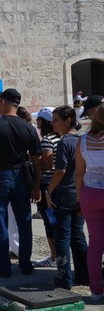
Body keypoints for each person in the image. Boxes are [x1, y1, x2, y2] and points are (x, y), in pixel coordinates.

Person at [0, 88, 41, 278]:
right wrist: (36, 184)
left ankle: (3, 266)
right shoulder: (28, 127)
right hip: (21, 176)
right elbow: (36, 158)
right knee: (24, 221)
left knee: (0, 221)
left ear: (3, 102)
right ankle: (25, 263)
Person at [45, 105, 88, 290]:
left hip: (63, 193)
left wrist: (48, 191)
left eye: (56, 120)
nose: (53, 124)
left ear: (67, 121)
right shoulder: (82, 141)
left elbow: (60, 170)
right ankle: (84, 274)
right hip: (79, 192)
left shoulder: (64, 143)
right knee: (77, 235)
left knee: (62, 235)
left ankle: (64, 278)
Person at [75, 104, 104, 303]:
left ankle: (96, 290)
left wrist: (79, 198)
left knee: (95, 244)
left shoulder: (82, 141)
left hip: (90, 194)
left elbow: (79, 173)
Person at [33, 107, 60, 268]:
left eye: (38, 119)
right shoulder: (61, 138)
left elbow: (48, 164)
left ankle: (53, 256)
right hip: (60, 185)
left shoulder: (47, 140)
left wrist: (34, 160)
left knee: (49, 221)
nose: (36, 122)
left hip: (47, 185)